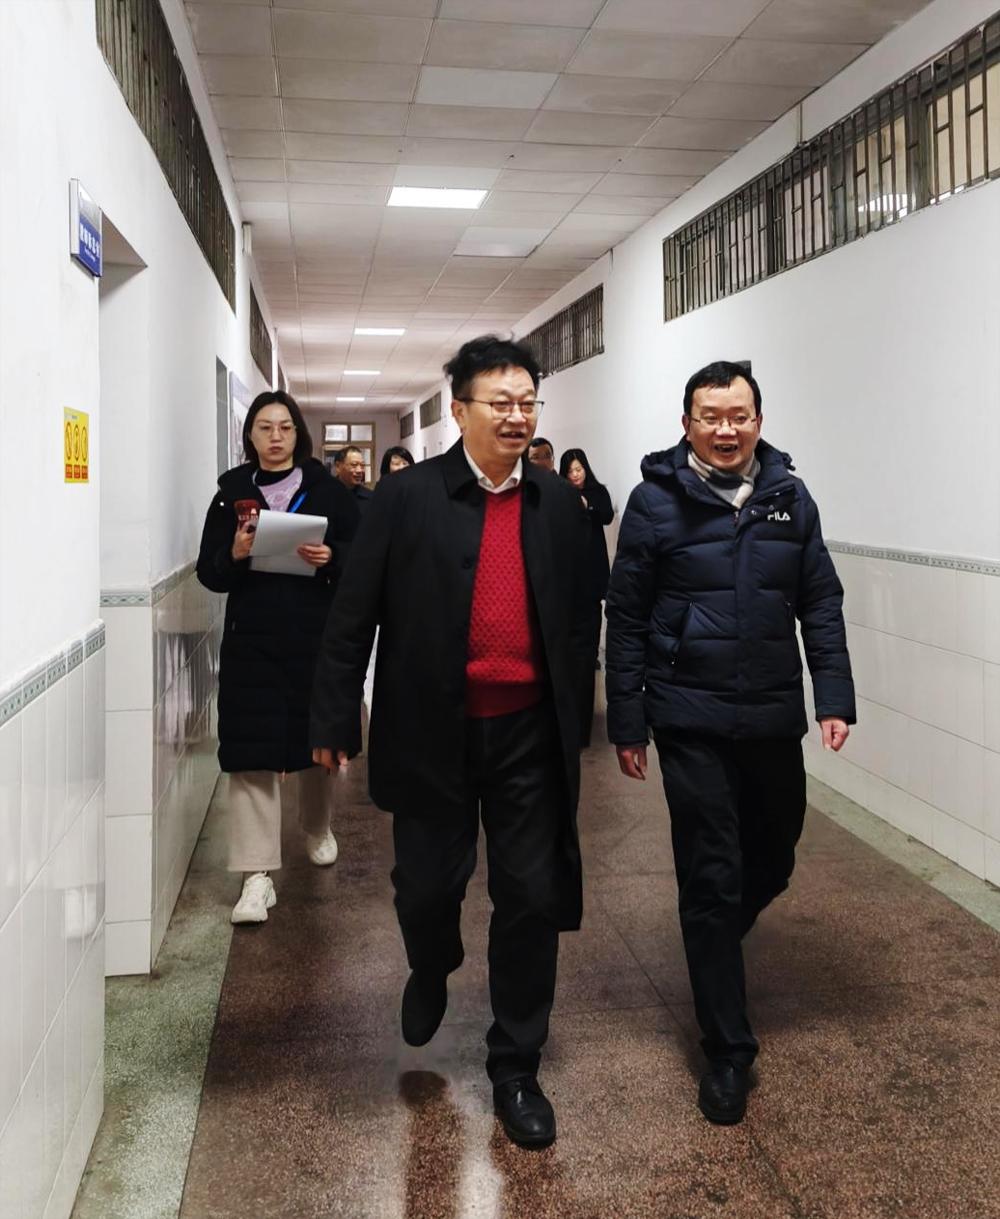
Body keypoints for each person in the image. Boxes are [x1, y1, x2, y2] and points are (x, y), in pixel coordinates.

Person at [311, 335, 591, 1148]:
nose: (516, 415)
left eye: (527, 401)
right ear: (460, 411)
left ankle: (516, 1064)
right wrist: (334, 715)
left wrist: (583, 717)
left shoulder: (557, 503)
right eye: (499, 402)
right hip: (431, 729)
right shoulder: (407, 498)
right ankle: (431, 962)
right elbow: (353, 613)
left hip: (528, 732)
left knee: (530, 895)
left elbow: (580, 615)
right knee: (427, 888)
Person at [605, 361, 855, 1126]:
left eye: (738, 415)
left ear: (758, 421)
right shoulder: (654, 501)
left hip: (772, 713)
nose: (725, 428)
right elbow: (628, 614)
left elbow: (820, 600)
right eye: (710, 416)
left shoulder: (789, 497)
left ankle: (710, 939)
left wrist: (834, 696)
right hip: (689, 716)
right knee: (712, 872)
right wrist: (627, 718)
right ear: (686, 423)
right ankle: (727, 1050)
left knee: (774, 853)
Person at [197, 391, 360, 925]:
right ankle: (256, 876)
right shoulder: (231, 494)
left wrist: (331, 557)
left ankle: (317, 826)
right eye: (264, 427)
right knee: (250, 752)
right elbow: (209, 572)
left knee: (315, 741)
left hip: (313, 637)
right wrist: (235, 554)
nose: (275, 437)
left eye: (284, 427)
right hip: (252, 641)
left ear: (298, 434)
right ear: (250, 434)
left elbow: (360, 558)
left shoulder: (328, 492)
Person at [558, 448, 613, 747]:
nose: (575, 475)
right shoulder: (559, 495)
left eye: (579, 469)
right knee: (568, 660)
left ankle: (582, 729)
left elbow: (606, 515)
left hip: (590, 587)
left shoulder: (597, 492)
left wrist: (586, 505)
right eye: (570, 471)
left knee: (586, 658)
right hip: (566, 588)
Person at [335, 444, 373, 511]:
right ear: (338, 466)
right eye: (354, 465)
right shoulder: (326, 495)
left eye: (362, 465)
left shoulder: (370, 497)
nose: (359, 470)